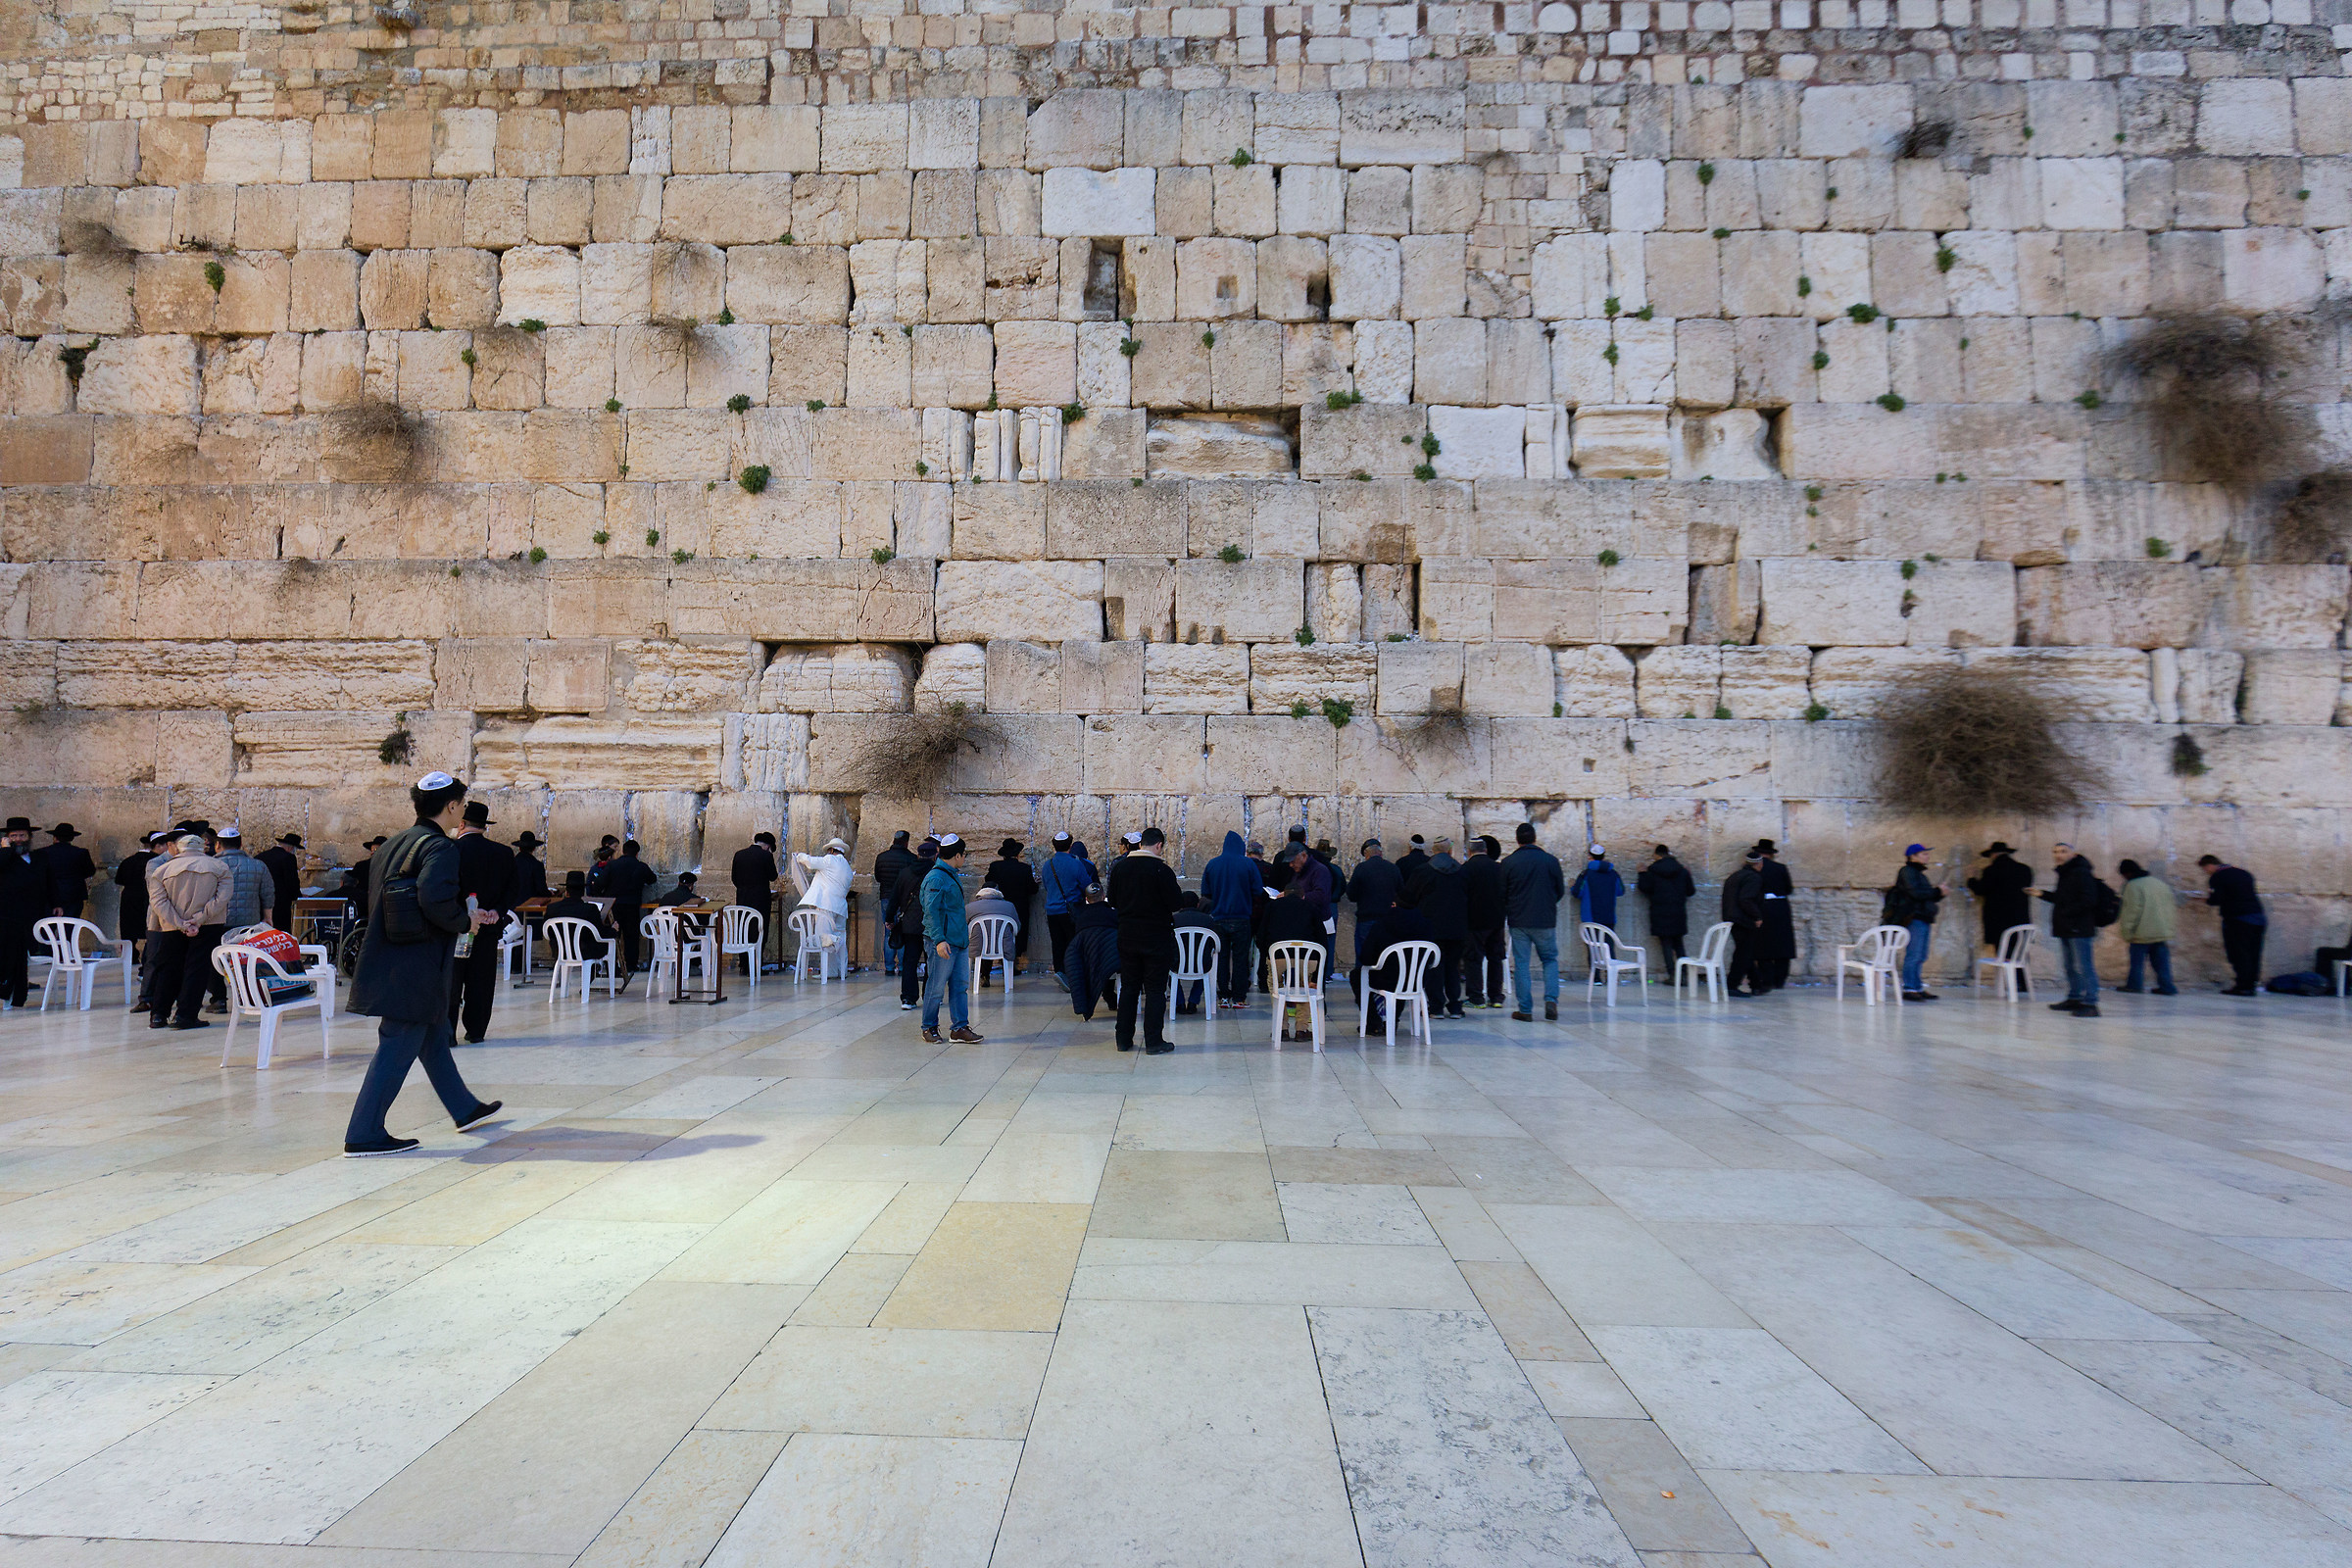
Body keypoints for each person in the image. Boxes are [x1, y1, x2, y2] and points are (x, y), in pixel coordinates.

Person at [343, 772, 505, 1156]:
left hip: (390, 957)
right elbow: (433, 900)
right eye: (462, 805)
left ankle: (464, 1109)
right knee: (397, 1045)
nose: (463, 811)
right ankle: (363, 1133)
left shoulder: (392, 845)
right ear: (451, 807)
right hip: (416, 964)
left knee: (432, 1035)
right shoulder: (441, 849)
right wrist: (468, 920)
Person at [1107, 825, 1183, 1054]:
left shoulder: (1121, 868)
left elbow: (1113, 900)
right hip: (1156, 938)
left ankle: (1123, 1039)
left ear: (1141, 843)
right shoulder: (1162, 870)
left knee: (1129, 988)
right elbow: (1176, 904)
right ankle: (1153, 1041)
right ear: (1159, 845)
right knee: (1155, 990)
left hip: (1127, 936)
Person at [444, 802, 515, 1042]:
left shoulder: (450, 849)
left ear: (461, 824)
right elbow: (513, 890)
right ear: (484, 826)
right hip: (488, 926)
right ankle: (476, 1032)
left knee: (452, 982)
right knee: (482, 982)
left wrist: (466, 913)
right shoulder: (504, 853)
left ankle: (447, 1034)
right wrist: (497, 911)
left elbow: (445, 889)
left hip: (457, 926)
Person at [147, 833, 228, 1031]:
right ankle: (185, 1015)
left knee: (168, 968)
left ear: (177, 848)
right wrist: (199, 919)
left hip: (172, 926)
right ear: (203, 847)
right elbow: (223, 898)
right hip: (208, 925)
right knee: (197, 969)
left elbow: (158, 902)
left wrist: (181, 923)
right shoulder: (219, 868)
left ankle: (158, 1014)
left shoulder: (162, 870)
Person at [920, 835, 983, 1044]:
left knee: (959, 985)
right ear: (956, 856)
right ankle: (929, 1027)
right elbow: (931, 911)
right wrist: (938, 940)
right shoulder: (937, 878)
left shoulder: (950, 874)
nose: (964, 858)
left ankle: (959, 1028)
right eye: (964, 855)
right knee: (936, 987)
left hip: (958, 941)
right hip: (944, 942)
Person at [1502, 822, 1566, 1021]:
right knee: (1549, 960)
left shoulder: (1509, 862)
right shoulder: (1550, 861)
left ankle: (1525, 1010)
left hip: (1519, 920)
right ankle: (1550, 1001)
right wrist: (1546, 905)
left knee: (1521, 963)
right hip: (1545, 920)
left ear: (1517, 839)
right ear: (1534, 838)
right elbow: (1560, 890)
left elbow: (1502, 893)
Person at [1405, 837, 1470, 1019]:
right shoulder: (1462, 872)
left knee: (1434, 966)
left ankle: (1436, 1007)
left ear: (1432, 851)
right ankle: (1455, 1006)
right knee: (1453, 967)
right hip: (1457, 928)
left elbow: (1409, 897)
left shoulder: (1423, 871)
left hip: (1431, 927)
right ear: (1450, 851)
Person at [1199, 830, 1263, 1009]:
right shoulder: (1248, 864)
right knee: (1241, 959)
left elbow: (1206, 893)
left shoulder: (1213, 864)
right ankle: (1239, 997)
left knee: (1221, 958)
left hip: (1219, 919)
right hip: (1242, 918)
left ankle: (1223, 996)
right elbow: (1258, 890)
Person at [2037, 843, 2103, 1017]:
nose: (2058, 855)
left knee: (2084, 966)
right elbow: (2061, 899)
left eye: (2063, 851)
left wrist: (2067, 913)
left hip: (2078, 927)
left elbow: (2089, 900)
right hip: (2066, 927)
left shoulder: (2081, 872)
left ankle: (2091, 1002)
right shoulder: (2065, 873)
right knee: (2070, 966)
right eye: (2055, 852)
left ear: (2073, 854)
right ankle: (2074, 998)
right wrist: (2041, 894)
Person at [1356, 897, 1437, 1032]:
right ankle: (1393, 1019)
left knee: (1357, 976)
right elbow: (1432, 958)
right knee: (1403, 979)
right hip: (1417, 980)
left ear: (1394, 905)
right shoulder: (1427, 925)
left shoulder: (1381, 925)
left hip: (1387, 979)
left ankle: (1373, 1021)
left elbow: (1366, 958)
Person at [1885, 844, 1945, 1002]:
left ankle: (1917, 987)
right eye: (1924, 854)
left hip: (1923, 917)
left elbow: (1925, 895)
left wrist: (1940, 893)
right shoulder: (1907, 872)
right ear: (1913, 856)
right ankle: (1910, 988)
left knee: (1921, 954)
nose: (1927, 857)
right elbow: (1915, 893)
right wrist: (1937, 891)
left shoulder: (1918, 873)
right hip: (1914, 917)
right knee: (1914, 954)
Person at [2198, 854, 2266, 997]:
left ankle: (2243, 986)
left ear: (2209, 865)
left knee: (2239, 953)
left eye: (2205, 870)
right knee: (2254, 953)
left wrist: (2206, 900)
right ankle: (2251, 985)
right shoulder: (2244, 873)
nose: (2206, 873)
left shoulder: (2217, 877)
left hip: (2238, 919)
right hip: (2258, 917)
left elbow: (2216, 899)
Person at [2115, 859, 2180, 996]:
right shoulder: (2159, 883)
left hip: (2142, 931)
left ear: (2127, 873)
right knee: (2161, 962)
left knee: (2137, 962)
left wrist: (2127, 931)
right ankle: (2167, 987)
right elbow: (2170, 906)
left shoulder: (2133, 885)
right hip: (2161, 930)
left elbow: (2132, 910)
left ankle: (2134, 985)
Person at [1060, 883, 1122, 1022]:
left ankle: (1102, 1000)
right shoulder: (1114, 915)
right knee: (1108, 958)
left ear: (1087, 899)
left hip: (1090, 959)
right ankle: (1113, 998)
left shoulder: (1080, 918)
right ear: (1104, 897)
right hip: (1114, 959)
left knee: (1100, 959)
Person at [888, 837, 938, 1010]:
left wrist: (889, 919)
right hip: (931, 924)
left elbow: (894, 898)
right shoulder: (936, 873)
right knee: (931, 961)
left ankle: (908, 998)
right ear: (935, 855)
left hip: (910, 924)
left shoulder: (906, 872)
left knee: (910, 961)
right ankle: (930, 996)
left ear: (918, 855)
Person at [790, 836, 855, 970]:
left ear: (831, 850)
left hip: (826, 906)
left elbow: (810, 862)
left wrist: (798, 856)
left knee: (825, 940)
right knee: (839, 940)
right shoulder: (847, 867)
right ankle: (840, 971)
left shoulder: (829, 860)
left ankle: (828, 972)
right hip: (841, 908)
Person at [1345, 839, 1403, 984]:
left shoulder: (1362, 868)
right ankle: (1387, 986)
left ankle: (1364, 989)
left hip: (1367, 919)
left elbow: (1351, 895)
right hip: (1389, 920)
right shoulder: (1393, 868)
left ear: (1366, 854)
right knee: (1388, 953)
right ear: (1381, 853)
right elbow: (1402, 893)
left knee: (1364, 955)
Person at [1038, 831, 1094, 979]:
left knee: (1057, 944)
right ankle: (1072, 974)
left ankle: (1060, 973)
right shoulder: (1076, 863)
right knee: (1072, 943)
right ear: (1070, 845)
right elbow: (1087, 886)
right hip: (1071, 911)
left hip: (1052, 911)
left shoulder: (1047, 865)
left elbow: (1046, 885)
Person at [1463, 835, 1508, 1007]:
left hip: (1474, 921)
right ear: (1486, 850)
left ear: (1469, 851)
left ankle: (1476, 997)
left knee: (1474, 959)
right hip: (1496, 920)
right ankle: (1496, 996)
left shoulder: (1466, 869)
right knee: (1495, 958)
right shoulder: (1499, 868)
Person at [546, 869, 621, 969]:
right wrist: (613, 930)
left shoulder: (552, 908)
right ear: (583, 891)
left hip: (559, 951)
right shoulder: (590, 909)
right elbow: (600, 933)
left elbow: (548, 932)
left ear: (567, 891)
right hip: (585, 952)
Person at [1967, 841, 2034, 953]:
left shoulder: (1991, 870)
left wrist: (1971, 879)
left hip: (1999, 925)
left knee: (2004, 957)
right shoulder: (2025, 869)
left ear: (1993, 855)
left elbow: (1981, 890)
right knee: (2018, 958)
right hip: (2021, 923)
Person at [1636, 844, 1696, 967]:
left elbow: (1645, 888)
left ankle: (1672, 974)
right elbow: (1691, 891)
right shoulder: (1682, 870)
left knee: (1666, 945)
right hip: (1678, 912)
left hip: (1660, 913)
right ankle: (1683, 973)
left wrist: (1642, 874)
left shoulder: (1652, 871)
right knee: (1679, 944)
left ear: (1656, 855)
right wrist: (1688, 876)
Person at [0, 818, 39, 1008]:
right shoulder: (4, 856)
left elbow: (47, 880)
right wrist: (5, 849)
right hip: (6, 915)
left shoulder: (38, 857)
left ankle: (18, 996)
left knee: (22, 958)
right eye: (13, 836)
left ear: (29, 837)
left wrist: (56, 903)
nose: (18, 839)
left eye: (22, 835)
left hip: (29, 914)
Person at [984, 839, 1040, 972]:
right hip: (1018, 909)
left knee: (996, 935)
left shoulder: (995, 867)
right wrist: (1035, 883)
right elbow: (1032, 890)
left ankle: (988, 971)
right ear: (1017, 854)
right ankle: (1010, 966)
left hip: (998, 907)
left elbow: (988, 882)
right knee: (1016, 935)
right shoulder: (1024, 869)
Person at [604, 839, 659, 972]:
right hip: (632, 906)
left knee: (613, 934)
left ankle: (612, 965)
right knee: (631, 937)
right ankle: (631, 965)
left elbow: (601, 882)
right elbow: (652, 879)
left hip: (614, 905)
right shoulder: (640, 866)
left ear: (623, 851)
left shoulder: (612, 865)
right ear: (637, 853)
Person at [1722, 847, 1767, 998]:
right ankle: (1731, 985)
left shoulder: (1735, 876)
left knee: (1744, 952)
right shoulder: (1754, 878)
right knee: (1743, 954)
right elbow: (1746, 899)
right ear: (1759, 864)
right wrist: (1757, 916)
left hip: (1732, 919)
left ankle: (1756, 984)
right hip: (1743, 920)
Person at [1752, 840, 1796, 992]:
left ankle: (1767, 979)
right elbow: (1788, 889)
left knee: (1763, 944)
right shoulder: (1781, 868)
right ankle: (1780, 980)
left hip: (1762, 907)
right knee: (1783, 945)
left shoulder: (1755, 868)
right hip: (1780, 908)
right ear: (1771, 854)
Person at [114, 832, 161, 975]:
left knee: (128, 929)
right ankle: (148, 957)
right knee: (150, 928)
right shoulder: (157, 861)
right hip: (148, 896)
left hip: (129, 897)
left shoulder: (128, 861)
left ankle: (130, 957)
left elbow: (119, 880)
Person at [871, 831, 915, 974]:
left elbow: (878, 877)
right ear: (906, 842)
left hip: (886, 898)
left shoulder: (881, 857)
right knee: (902, 932)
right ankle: (902, 967)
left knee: (888, 932)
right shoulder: (911, 858)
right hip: (903, 900)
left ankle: (889, 967)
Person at [32, 823, 97, 919]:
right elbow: (90, 871)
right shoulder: (81, 853)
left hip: (48, 896)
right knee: (69, 929)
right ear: (71, 838)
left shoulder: (42, 853)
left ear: (54, 837)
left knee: (47, 929)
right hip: (73, 895)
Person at [1171, 892, 1217, 1014]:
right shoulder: (1208, 920)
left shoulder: (1173, 920)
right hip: (1202, 965)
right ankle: (1193, 1002)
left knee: (1167, 971)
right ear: (1197, 905)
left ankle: (1179, 1003)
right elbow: (1214, 944)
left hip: (1176, 964)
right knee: (1206, 969)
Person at [1571, 844, 1626, 932]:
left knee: (1593, 944)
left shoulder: (1586, 875)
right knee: (1608, 944)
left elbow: (1577, 893)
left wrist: (1572, 886)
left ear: (1590, 857)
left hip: (1590, 918)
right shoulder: (1614, 874)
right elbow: (1620, 891)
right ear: (1603, 856)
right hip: (1609, 918)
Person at [731, 831, 779, 929]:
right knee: (759, 929)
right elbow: (773, 876)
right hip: (761, 901)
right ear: (767, 846)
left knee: (744, 929)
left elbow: (734, 878)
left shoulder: (739, 854)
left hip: (742, 899)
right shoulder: (766, 856)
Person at [259, 833, 303, 935]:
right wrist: (298, 896)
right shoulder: (288, 858)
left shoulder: (260, 856)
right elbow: (292, 883)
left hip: (260, 904)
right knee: (280, 935)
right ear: (291, 847)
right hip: (280, 905)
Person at [509, 831, 550, 906]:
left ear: (520, 848)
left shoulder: (510, 864)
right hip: (530, 909)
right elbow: (541, 890)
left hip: (511, 907)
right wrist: (550, 893)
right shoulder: (537, 865)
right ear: (534, 848)